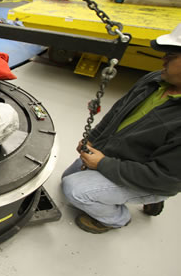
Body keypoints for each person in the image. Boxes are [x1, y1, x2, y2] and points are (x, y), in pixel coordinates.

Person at [61, 23, 181, 234]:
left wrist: (103, 164)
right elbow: (117, 113)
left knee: (75, 190)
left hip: (155, 179)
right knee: (67, 177)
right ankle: (143, 196)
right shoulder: (153, 80)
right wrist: (92, 138)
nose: (163, 60)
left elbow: (165, 178)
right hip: (121, 159)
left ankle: (118, 219)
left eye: (171, 55)